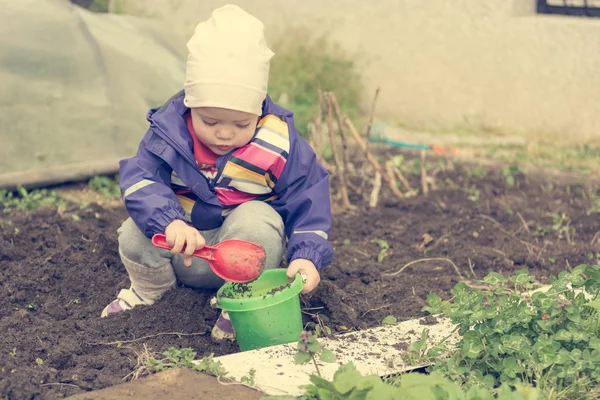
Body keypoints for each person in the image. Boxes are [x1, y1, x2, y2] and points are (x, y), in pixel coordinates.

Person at [101, 4, 333, 342]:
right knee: (135, 230)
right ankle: (153, 294)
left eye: (241, 124)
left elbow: (308, 195)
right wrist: (170, 221)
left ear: (257, 111)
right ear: (191, 106)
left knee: (257, 215)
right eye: (210, 121)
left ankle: (239, 303)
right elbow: (141, 179)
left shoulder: (278, 141)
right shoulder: (169, 133)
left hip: (246, 258)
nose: (224, 134)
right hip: (184, 251)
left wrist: (307, 255)